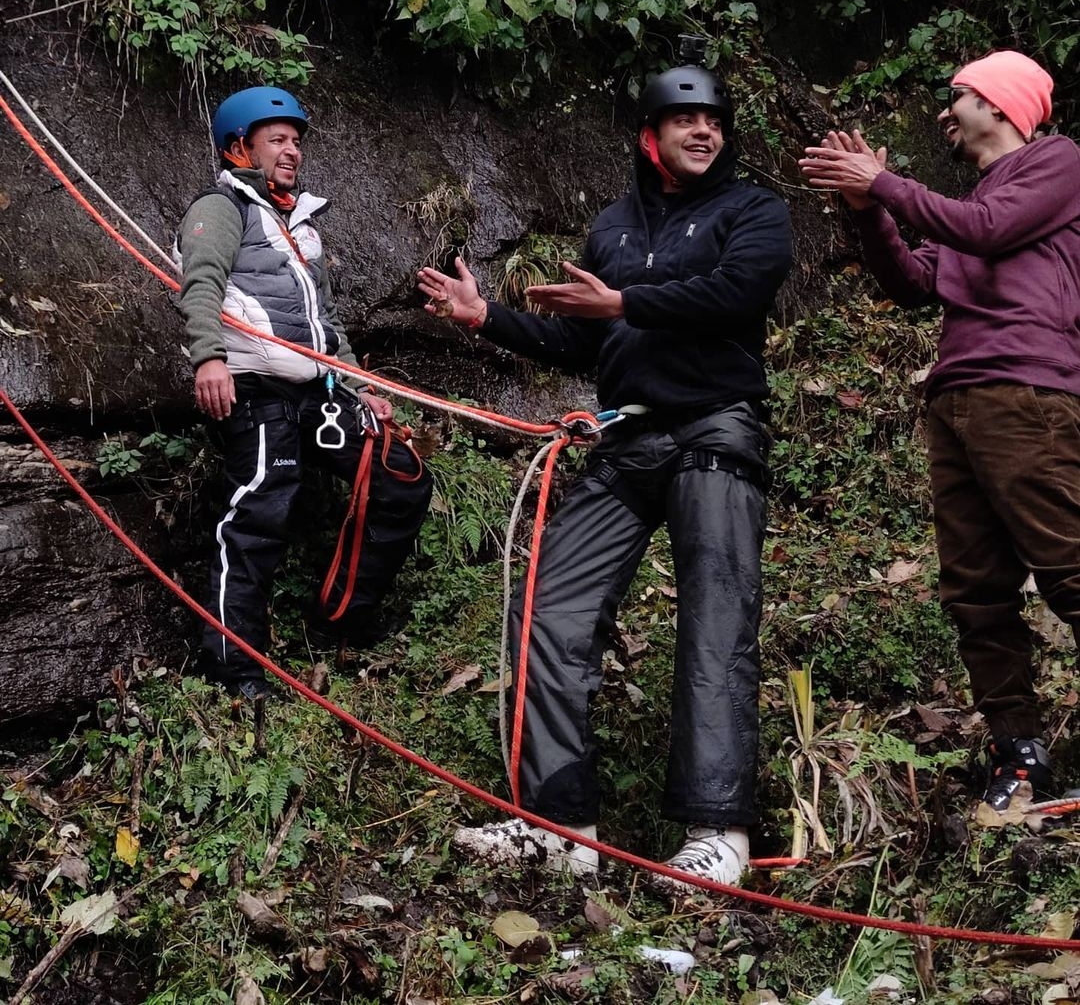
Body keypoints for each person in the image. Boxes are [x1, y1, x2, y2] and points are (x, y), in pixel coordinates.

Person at [417, 60, 792, 885]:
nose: (706, 132)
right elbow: (587, 345)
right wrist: (488, 320)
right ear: (650, 135)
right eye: (687, 120)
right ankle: (561, 826)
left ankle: (719, 831)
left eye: (716, 122)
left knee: (716, 619)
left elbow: (737, 293)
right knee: (547, 606)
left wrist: (624, 302)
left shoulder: (753, 210)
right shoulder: (615, 229)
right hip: (628, 442)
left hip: (716, 428)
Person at [799, 49, 1080, 809]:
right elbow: (913, 281)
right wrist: (867, 209)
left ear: (1000, 105)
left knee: (1067, 564)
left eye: (957, 96)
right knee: (974, 587)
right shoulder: (968, 202)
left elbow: (989, 231)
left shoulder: (1056, 163)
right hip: (955, 399)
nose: (944, 112)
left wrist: (884, 183)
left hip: (1026, 388)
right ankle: (1017, 751)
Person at [177, 86, 433, 701]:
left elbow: (323, 325)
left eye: (295, 140)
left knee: (399, 476)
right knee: (258, 518)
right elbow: (200, 285)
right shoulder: (220, 209)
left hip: (316, 391)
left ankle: (345, 614)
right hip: (256, 392)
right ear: (241, 147)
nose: (291, 150)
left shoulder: (296, 223)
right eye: (277, 140)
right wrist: (208, 358)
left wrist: (358, 386)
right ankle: (236, 671)